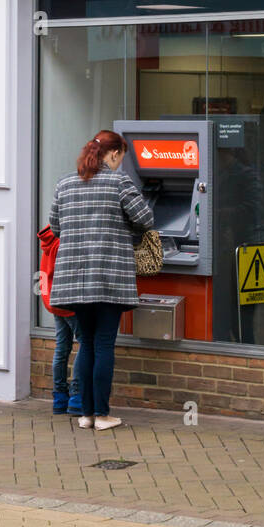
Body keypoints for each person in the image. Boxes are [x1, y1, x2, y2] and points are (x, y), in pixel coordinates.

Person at [48, 129, 153, 431]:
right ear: (115, 154)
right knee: (104, 343)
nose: (121, 162)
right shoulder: (119, 182)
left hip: (75, 278)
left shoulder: (65, 184)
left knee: (86, 344)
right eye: (121, 156)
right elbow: (145, 219)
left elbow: (55, 226)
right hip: (109, 277)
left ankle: (86, 414)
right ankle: (104, 415)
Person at [51, 313, 82, 416]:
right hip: (73, 303)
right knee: (86, 344)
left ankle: (59, 400)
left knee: (61, 348)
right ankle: (77, 397)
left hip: (56, 302)